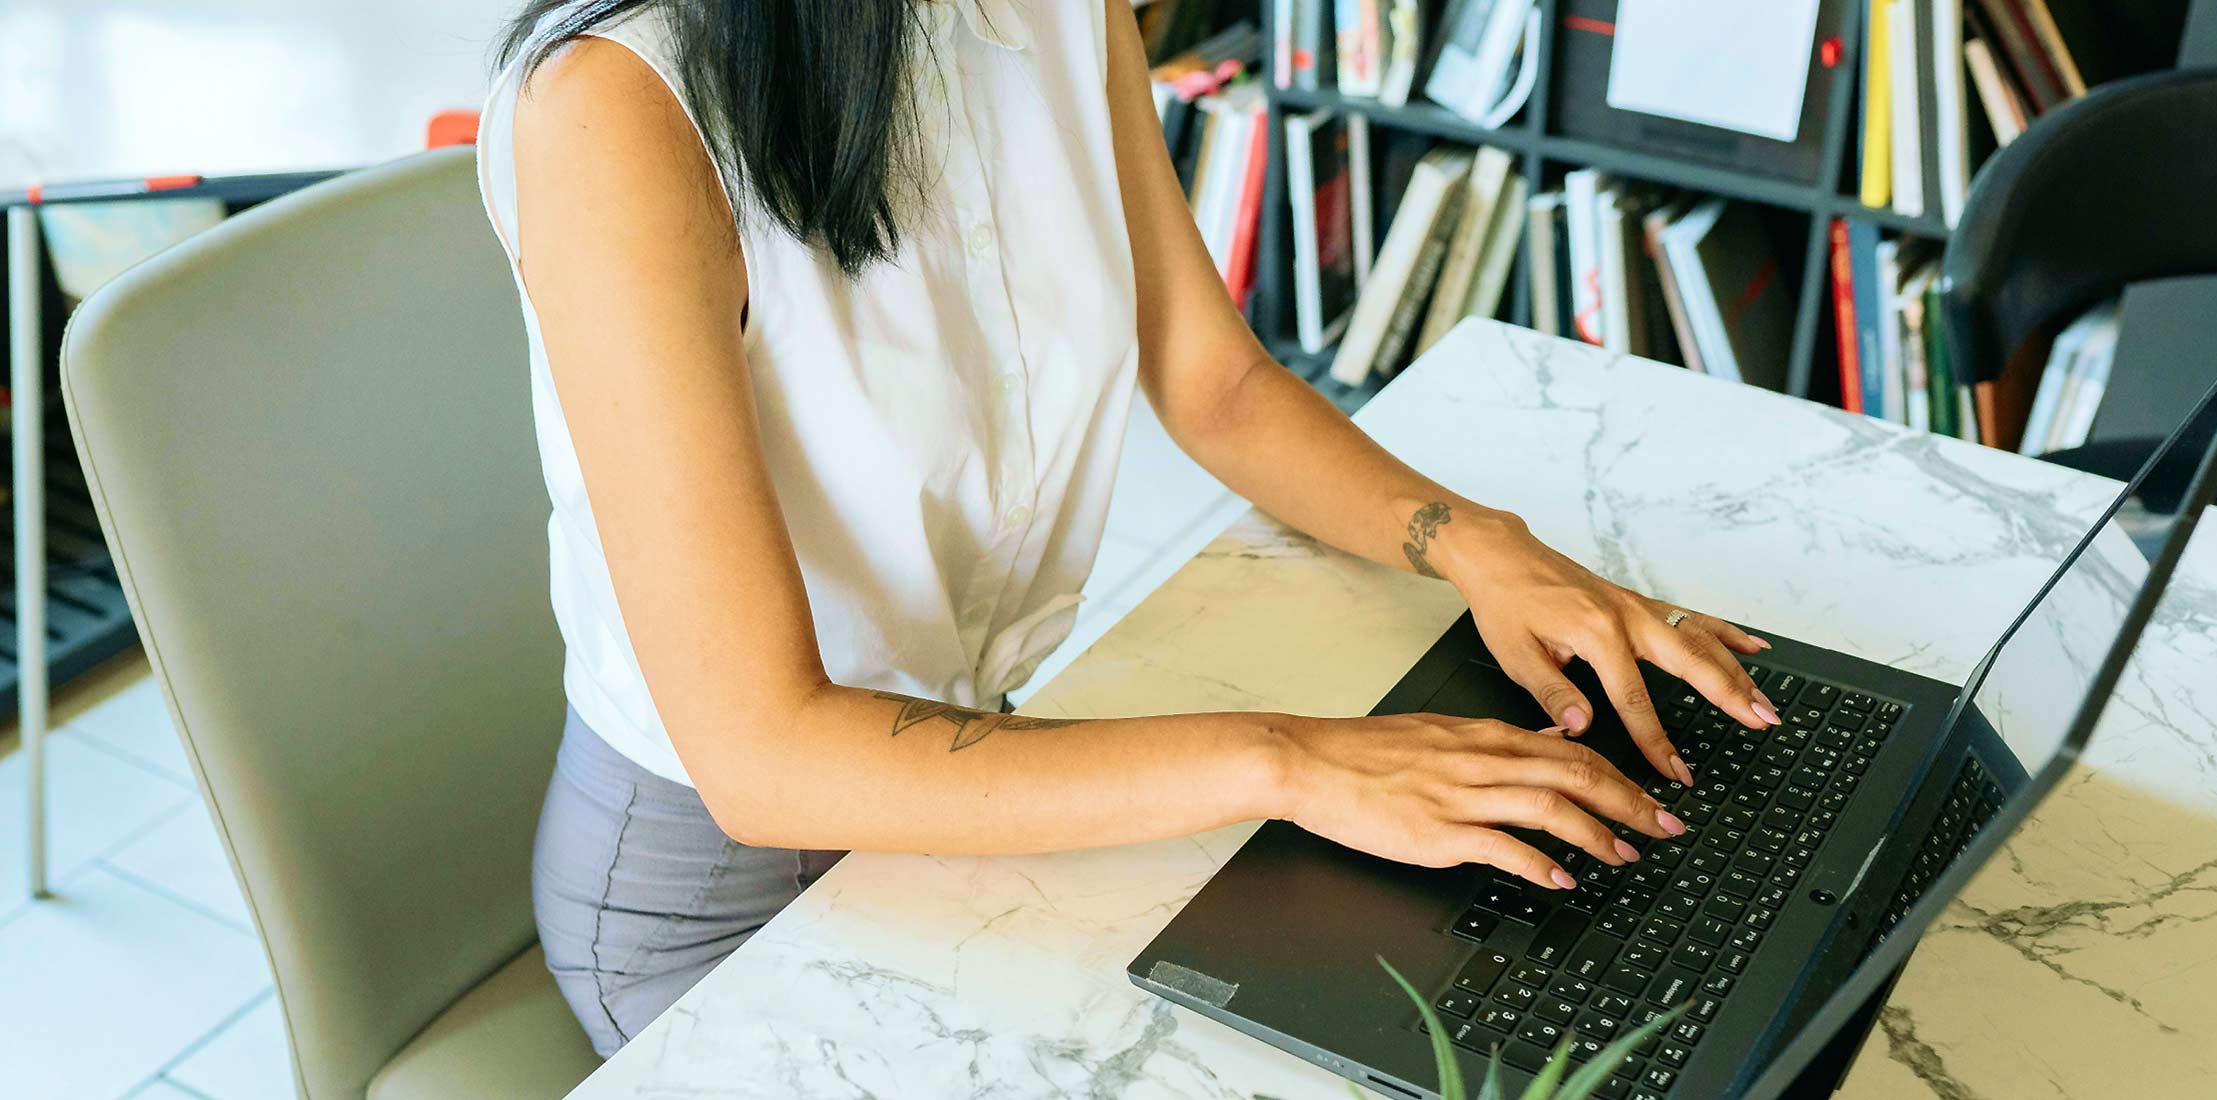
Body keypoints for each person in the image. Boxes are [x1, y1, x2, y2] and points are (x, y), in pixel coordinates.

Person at [476, 0, 1780, 1055]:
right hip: (714, 900)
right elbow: (766, 764)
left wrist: (1484, 546)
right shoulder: (611, 107)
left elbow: (1217, 385)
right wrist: (1299, 761)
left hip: (969, 786)